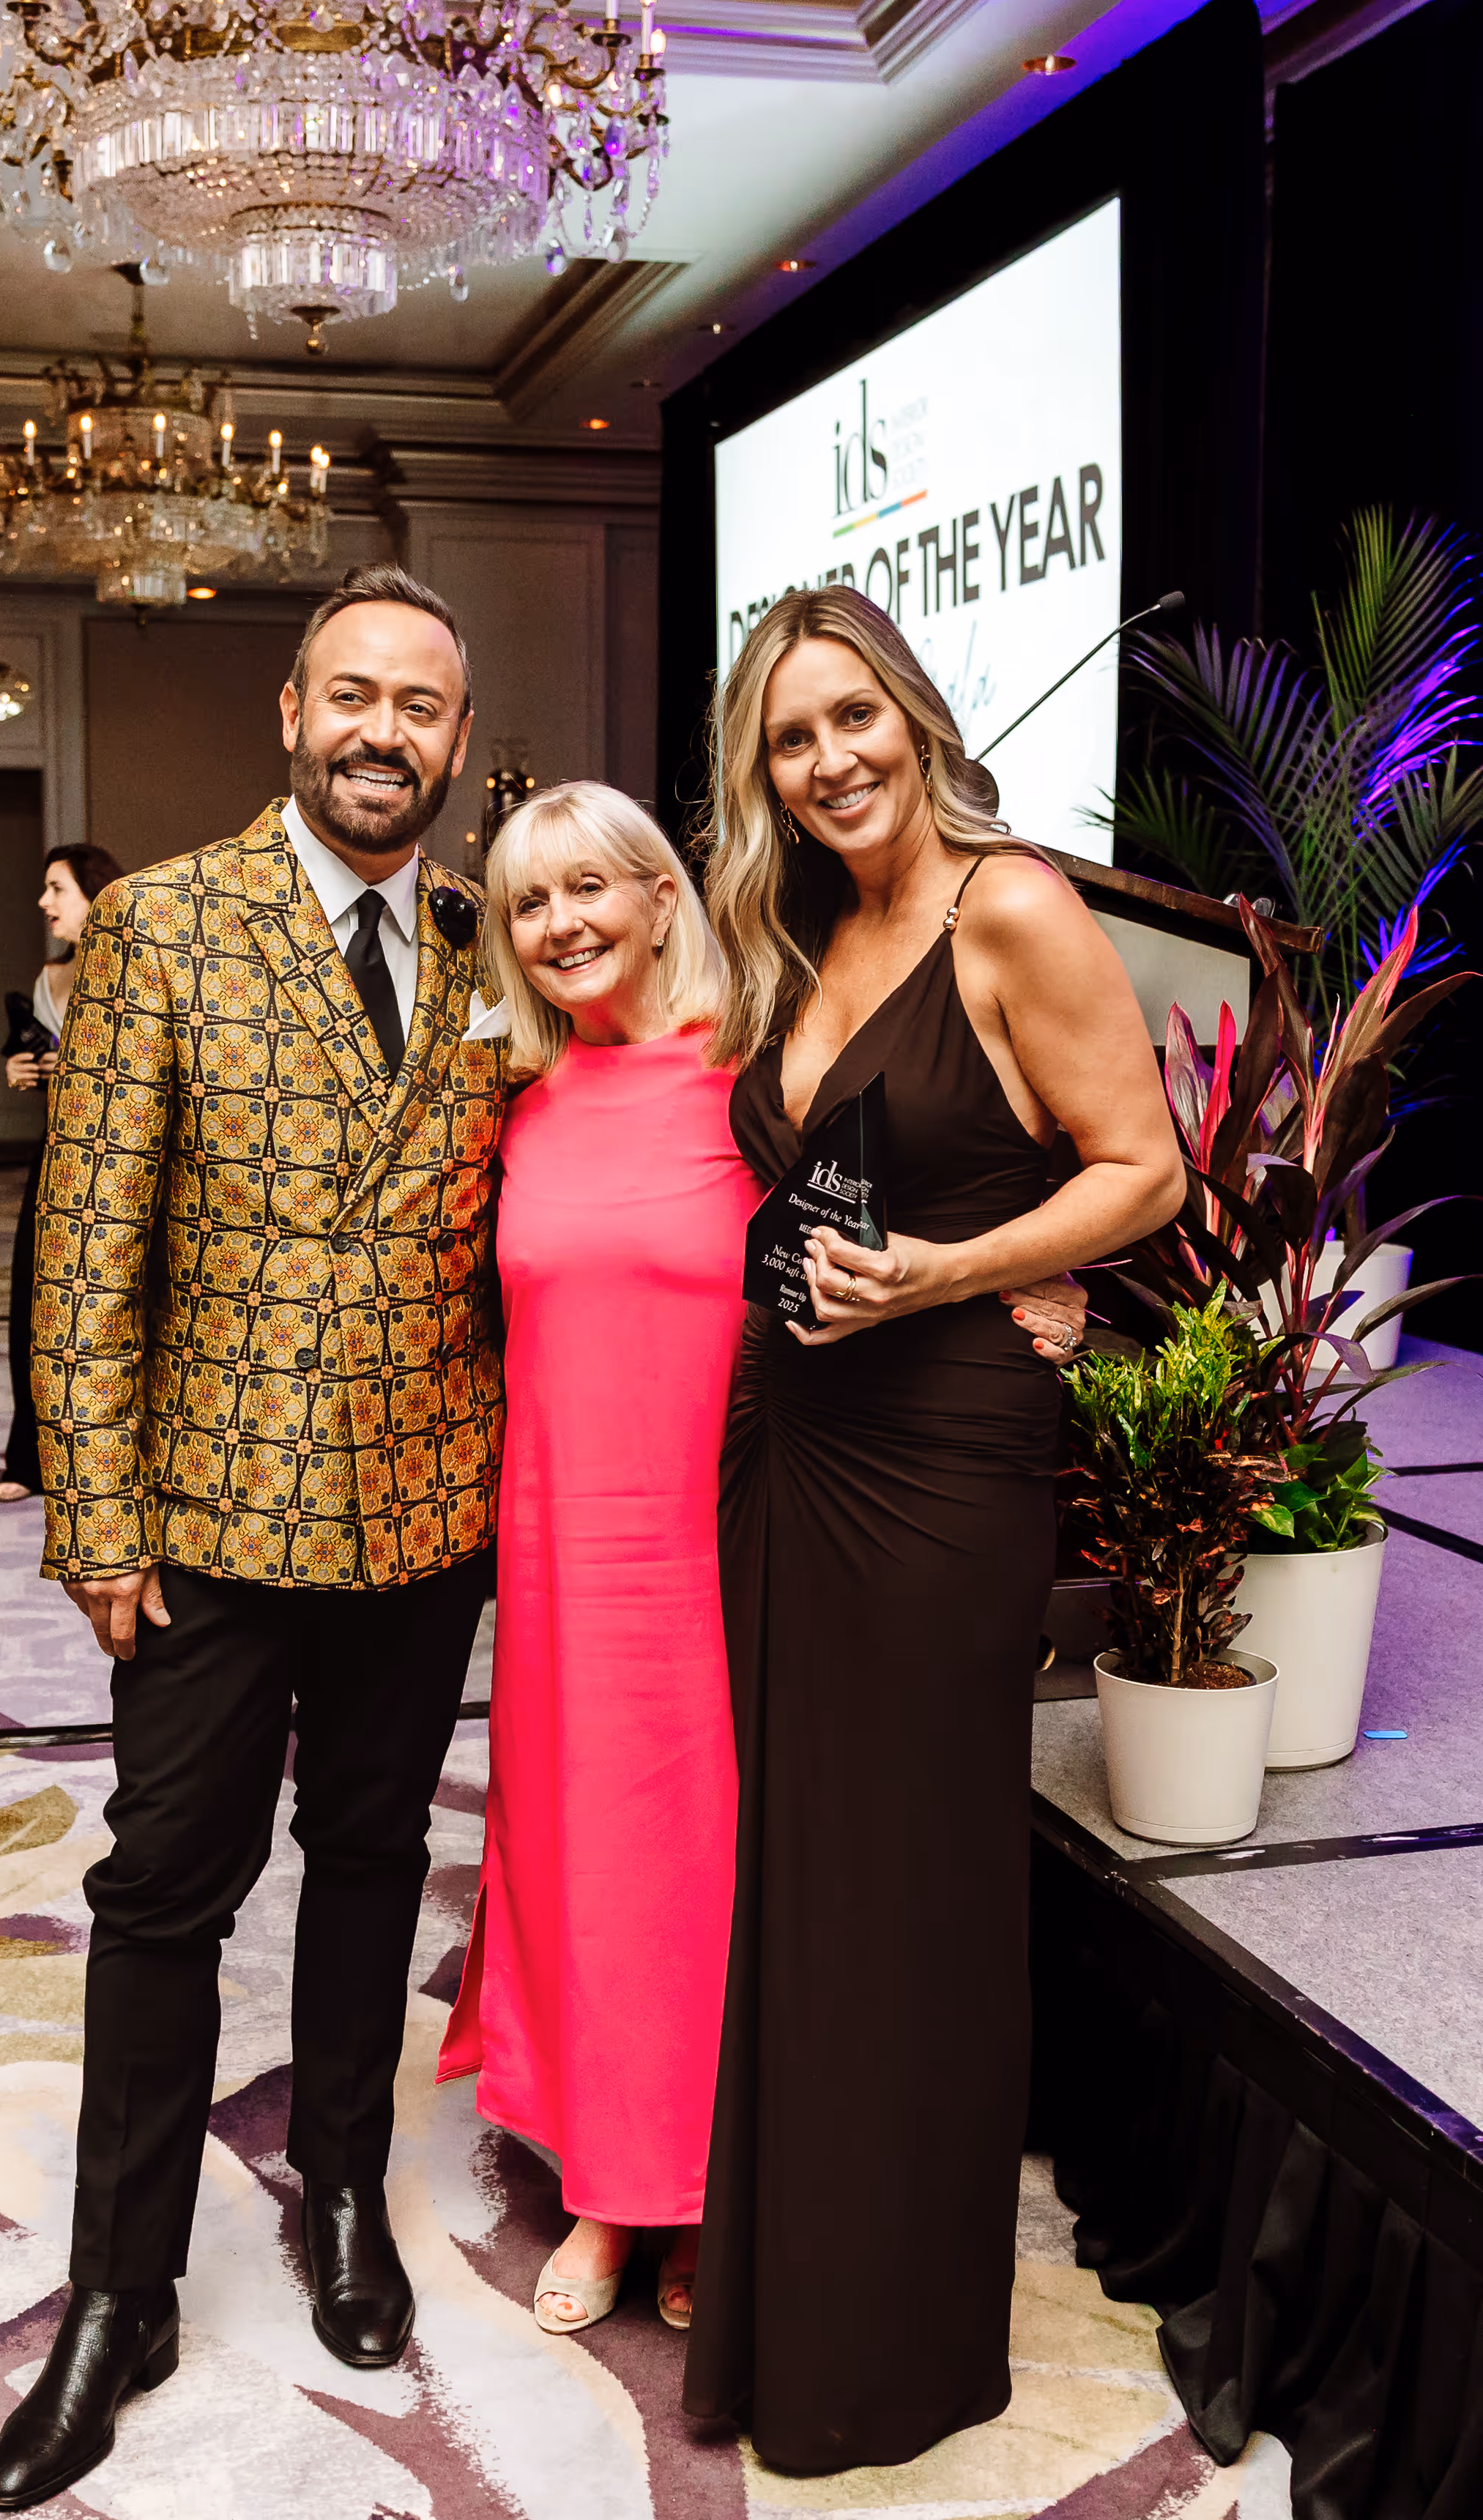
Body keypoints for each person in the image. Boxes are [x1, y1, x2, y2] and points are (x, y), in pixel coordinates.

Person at [0, 564, 512, 2515]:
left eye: (419, 708)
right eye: (351, 695)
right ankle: (116, 2298)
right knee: (162, 1894)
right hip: (198, 1527)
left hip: (416, 1522)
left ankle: (347, 2193)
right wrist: (98, 1529)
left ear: (454, 741)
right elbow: (85, 1246)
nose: (383, 733)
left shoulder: (487, 945)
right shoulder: (160, 924)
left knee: (374, 1865)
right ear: (289, 711)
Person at [436, 780, 1089, 2341]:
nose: (560, 924)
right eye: (529, 904)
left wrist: (1032, 1286)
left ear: (665, 895)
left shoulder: (761, 1084)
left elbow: (937, 1191)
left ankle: (711, 2184)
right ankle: (609, 2181)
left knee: (717, 1870)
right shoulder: (511, 1105)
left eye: (590, 887)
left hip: (732, 1535)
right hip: (558, 1555)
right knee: (583, 1863)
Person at [681, 586, 1185, 2474]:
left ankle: (890, 2345)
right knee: (806, 1880)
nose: (827, 763)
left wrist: (963, 1273)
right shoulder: (802, 924)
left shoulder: (1011, 903)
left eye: (848, 719)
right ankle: (786, 2294)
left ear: (911, 707)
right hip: (792, 1439)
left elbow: (1141, 1167)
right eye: (787, 741)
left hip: (943, 1451)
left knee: (914, 1890)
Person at [0, 843, 124, 1503]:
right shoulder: (49, 979)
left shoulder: (137, 973)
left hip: (125, 1164)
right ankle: (27, 1454)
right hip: (56, 1157)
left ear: (96, 893)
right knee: (32, 1304)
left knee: (106, 1317)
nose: (44, 902)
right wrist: (21, 1072)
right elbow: (36, 1063)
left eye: (57, 888)